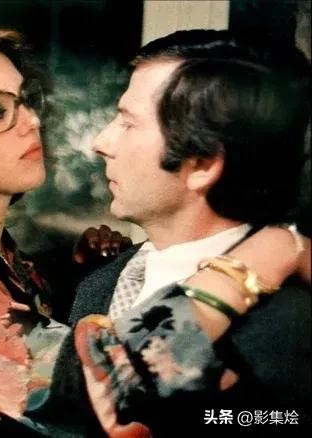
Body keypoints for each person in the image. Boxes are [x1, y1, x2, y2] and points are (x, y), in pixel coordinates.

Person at [0, 28, 310, 437]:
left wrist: (84, 269)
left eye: (25, 100)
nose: (32, 120)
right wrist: (263, 255)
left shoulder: (4, 257)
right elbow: (87, 384)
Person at [69, 30, 311, 436]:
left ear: (201, 165)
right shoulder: (99, 284)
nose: (100, 142)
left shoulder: (287, 329)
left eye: (128, 123)